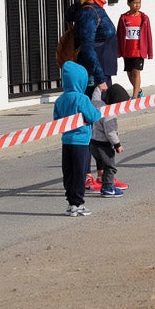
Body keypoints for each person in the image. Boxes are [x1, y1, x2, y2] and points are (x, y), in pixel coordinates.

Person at [54, 61, 103, 216]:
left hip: (66, 141)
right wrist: (98, 111)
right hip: (81, 142)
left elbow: (57, 119)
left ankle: (70, 202)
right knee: (79, 173)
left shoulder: (60, 100)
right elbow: (93, 115)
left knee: (68, 172)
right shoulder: (82, 99)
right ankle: (78, 204)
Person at [66, 0, 118, 96]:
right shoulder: (90, 12)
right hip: (95, 77)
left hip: (103, 72)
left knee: (104, 114)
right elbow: (87, 48)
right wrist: (100, 80)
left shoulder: (94, 8)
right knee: (96, 113)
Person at [89, 83, 129, 198]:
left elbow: (94, 97)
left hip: (93, 142)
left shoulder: (98, 104)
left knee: (101, 162)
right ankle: (107, 188)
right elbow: (110, 132)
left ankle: (103, 181)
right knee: (110, 166)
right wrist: (117, 145)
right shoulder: (109, 114)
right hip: (104, 145)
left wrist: (98, 89)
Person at [116, 0, 153, 98]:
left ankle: (135, 96)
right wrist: (118, 51)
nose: (137, 5)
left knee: (136, 72)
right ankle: (139, 90)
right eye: (135, 3)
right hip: (127, 51)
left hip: (139, 51)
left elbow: (148, 36)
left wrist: (149, 52)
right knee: (129, 73)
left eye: (139, 3)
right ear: (128, 3)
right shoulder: (124, 18)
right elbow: (118, 35)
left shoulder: (144, 18)